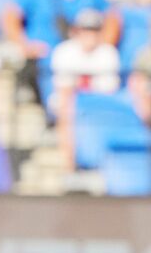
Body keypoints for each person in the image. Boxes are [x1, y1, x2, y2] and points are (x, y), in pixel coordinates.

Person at [50, 9, 121, 168]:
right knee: (66, 109)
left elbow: (108, 92)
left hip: (99, 105)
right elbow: (64, 90)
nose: (90, 35)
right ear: (77, 31)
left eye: (94, 30)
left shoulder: (108, 53)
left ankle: (103, 165)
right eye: (86, 30)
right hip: (71, 103)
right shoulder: (64, 51)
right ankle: (69, 164)